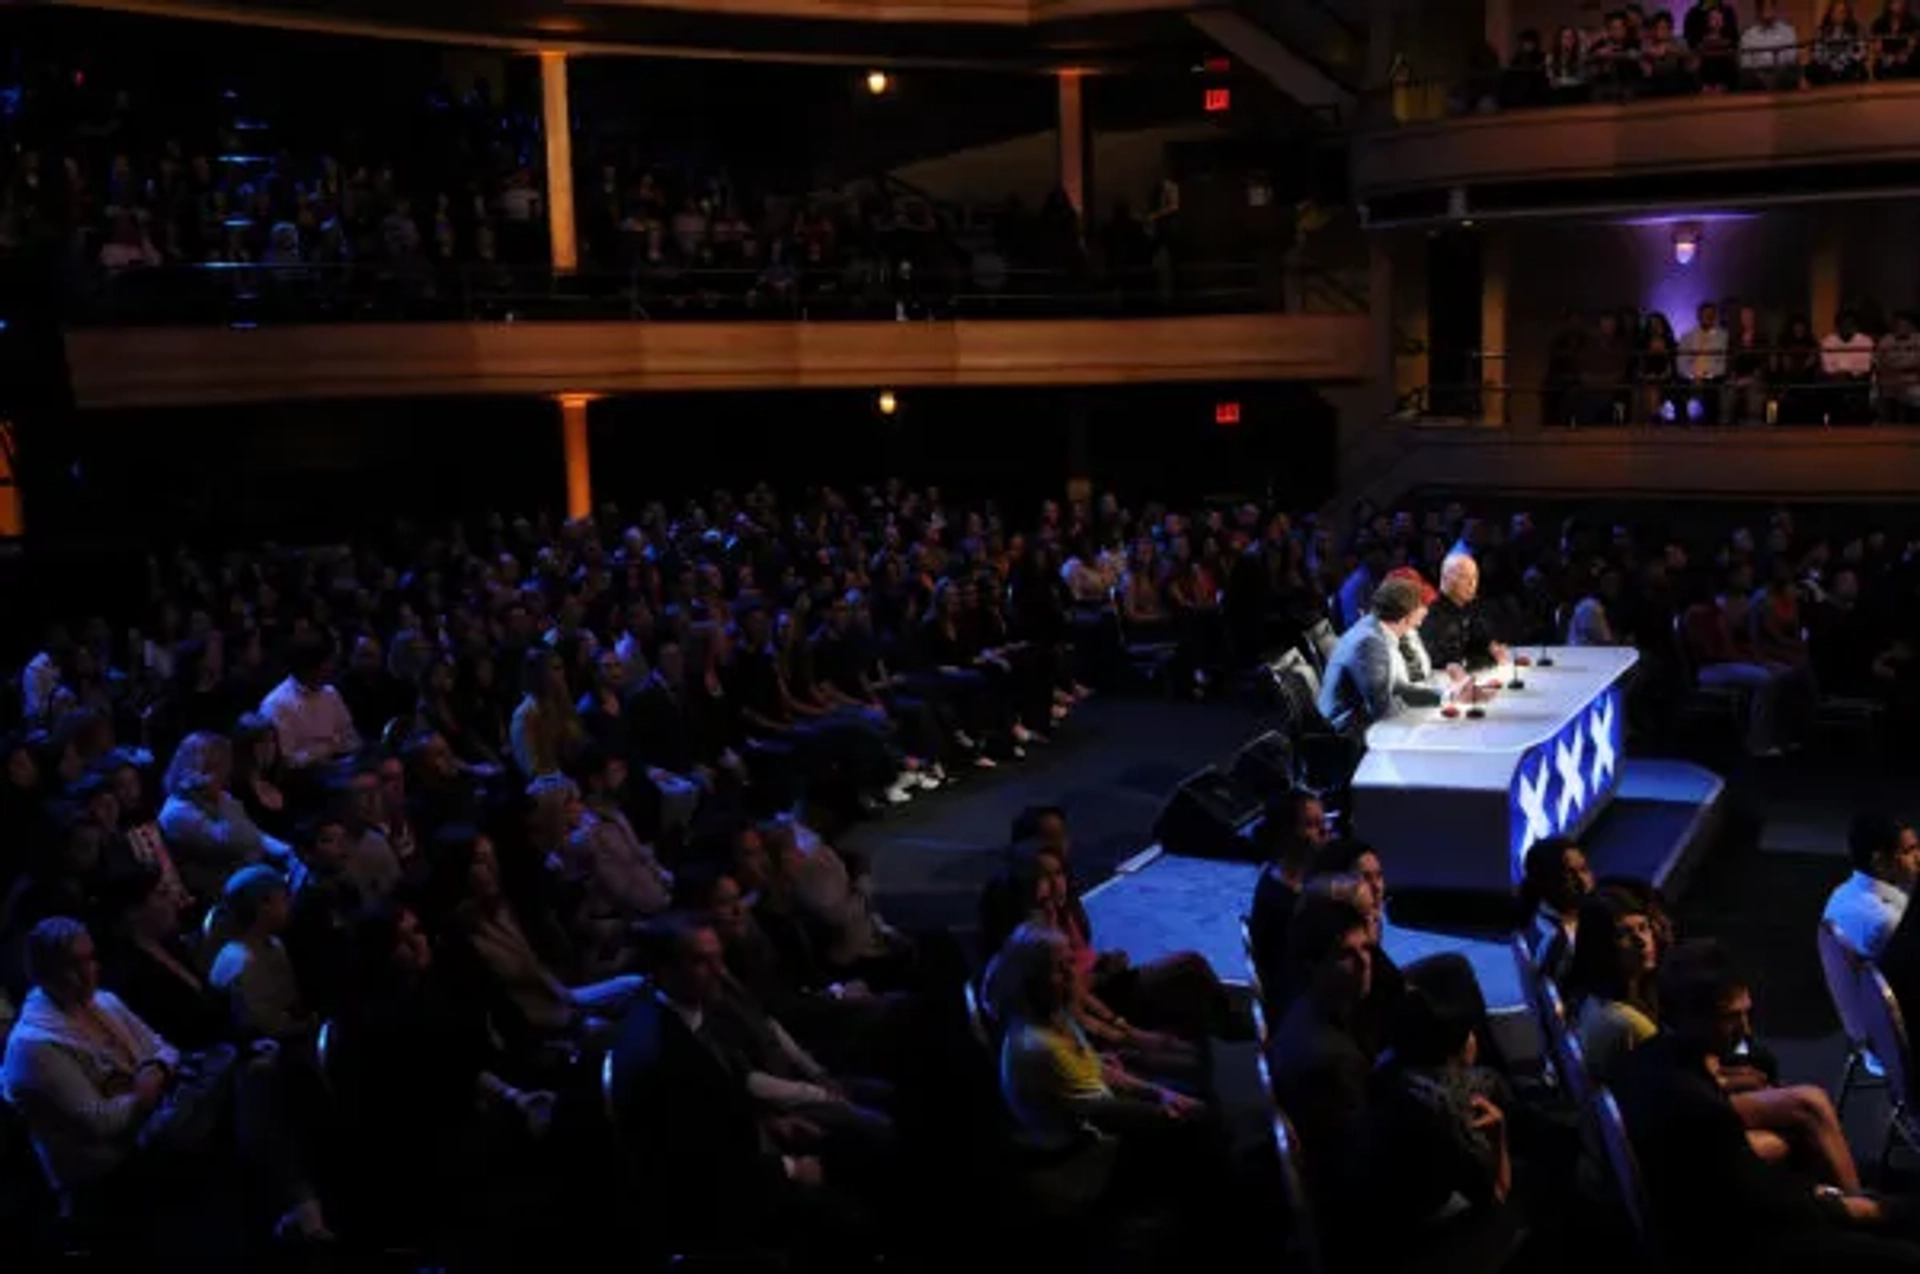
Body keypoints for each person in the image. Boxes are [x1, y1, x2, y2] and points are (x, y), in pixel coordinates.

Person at [1613, 941, 1920, 1273]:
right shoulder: (1697, 1106)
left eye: (1747, 1013)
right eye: (1730, 1018)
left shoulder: (1647, 1058)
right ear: (1690, 1017)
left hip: (1718, 1217)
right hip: (1730, 1248)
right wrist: (1849, 1207)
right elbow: (1762, 1203)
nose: (1745, 1030)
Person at [1318, 577, 1463, 737]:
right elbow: (1383, 710)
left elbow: (1397, 688)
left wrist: (1447, 696)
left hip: (1364, 723)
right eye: (1420, 605)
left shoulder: (1377, 628)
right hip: (1349, 737)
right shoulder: (1370, 643)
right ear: (1406, 615)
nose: (1425, 613)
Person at [1821, 814, 1918, 959]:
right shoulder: (1889, 921)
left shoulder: (1839, 894)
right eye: (1908, 852)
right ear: (1879, 862)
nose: (1918, 857)